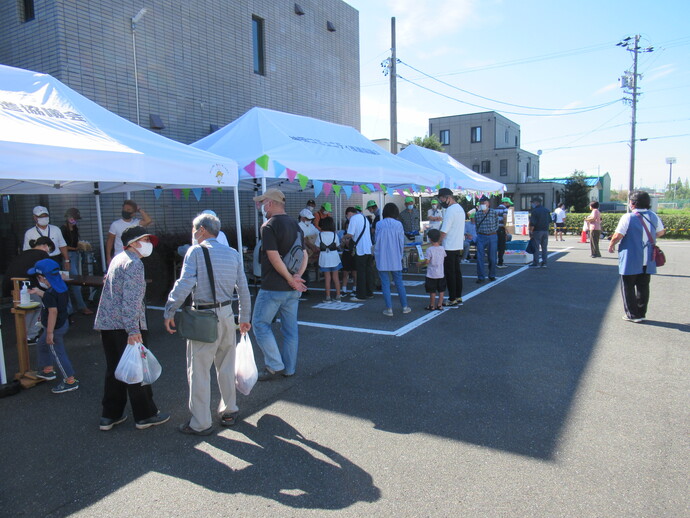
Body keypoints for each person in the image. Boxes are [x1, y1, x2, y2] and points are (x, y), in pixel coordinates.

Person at [164, 213, 251, 435]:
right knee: (226, 365)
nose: (193, 233)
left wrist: (170, 309)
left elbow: (185, 283)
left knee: (199, 370)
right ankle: (229, 409)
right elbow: (242, 288)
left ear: (202, 230)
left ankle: (201, 422)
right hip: (226, 315)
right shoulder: (233, 254)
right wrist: (243, 318)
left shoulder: (195, 252)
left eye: (195, 229)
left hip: (203, 316)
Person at [94, 226, 170, 431]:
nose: (148, 244)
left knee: (114, 370)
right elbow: (131, 301)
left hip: (108, 324)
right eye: (145, 240)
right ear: (134, 243)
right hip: (128, 326)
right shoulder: (134, 264)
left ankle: (110, 415)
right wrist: (133, 330)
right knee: (137, 371)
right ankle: (145, 415)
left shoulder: (117, 259)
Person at [252, 189, 307, 381]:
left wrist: (291, 279)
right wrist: (297, 276)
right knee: (291, 331)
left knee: (259, 324)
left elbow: (274, 258)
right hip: (292, 289)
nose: (261, 206)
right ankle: (289, 368)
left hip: (273, 287)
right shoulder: (296, 225)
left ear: (270, 203)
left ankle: (274, 364)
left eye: (262, 202)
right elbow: (304, 254)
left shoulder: (269, 226)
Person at [608, 191, 665, 323]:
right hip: (648, 257)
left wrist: (611, 245)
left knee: (628, 286)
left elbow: (618, 235)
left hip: (631, 257)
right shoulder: (653, 215)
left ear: (633, 203)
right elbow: (661, 232)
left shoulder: (628, 217)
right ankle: (641, 312)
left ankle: (632, 314)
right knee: (643, 286)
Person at [27, 258, 79, 393]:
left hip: (54, 328)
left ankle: (70, 380)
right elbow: (53, 300)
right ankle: (47, 369)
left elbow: (52, 311)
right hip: (60, 324)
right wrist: (39, 293)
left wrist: (50, 332)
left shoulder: (50, 293)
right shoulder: (60, 286)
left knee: (58, 353)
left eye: (38, 277)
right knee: (42, 344)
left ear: (42, 277)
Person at [3, 236, 54, 344]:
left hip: (11, 284)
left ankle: (26, 335)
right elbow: (48, 272)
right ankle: (30, 336)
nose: (48, 251)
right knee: (37, 305)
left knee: (28, 308)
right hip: (25, 284)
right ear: (45, 246)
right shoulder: (42, 254)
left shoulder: (25, 253)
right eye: (49, 248)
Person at [374, 203, 411, 316]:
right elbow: (401, 241)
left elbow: (376, 241)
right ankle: (405, 306)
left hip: (382, 257)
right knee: (399, 282)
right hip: (395, 257)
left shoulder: (379, 224)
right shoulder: (398, 224)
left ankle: (389, 309)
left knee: (385, 283)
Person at [60, 208, 92, 315]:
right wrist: (75, 249)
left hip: (75, 255)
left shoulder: (75, 228)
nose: (74, 221)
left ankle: (74, 307)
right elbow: (62, 245)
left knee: (75, 280)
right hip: (67, 256)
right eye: (73, 218)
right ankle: (80, 306)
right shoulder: (63, 230)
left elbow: (76, 242)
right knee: (73, 282)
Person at [437, 188, 465, 306]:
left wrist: (437, 243)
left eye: (441, 199)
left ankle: (452, 298)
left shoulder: (450, 210)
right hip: (458, 245)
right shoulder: (460, 209)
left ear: (448, 198)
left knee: (450, 274)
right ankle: (458, 296)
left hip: (449, 246)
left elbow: (444, 231)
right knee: (457, 272)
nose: (441, 201)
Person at [106, 200, 152, 266]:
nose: (125, 211)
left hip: (134, 257)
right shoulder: (115, 224)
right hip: (120, 257)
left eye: (128, 210)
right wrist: (108, 257)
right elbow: (110, 241)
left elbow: (148, 221)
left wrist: (139, 209)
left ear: (133, 213)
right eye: (124, 209)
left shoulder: (136, 223)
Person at [344, 206, 374, 302]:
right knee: (368, 271)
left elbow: (350, 234)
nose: (347, 218)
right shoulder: (364, 218)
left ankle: (361, 295)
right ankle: (369, 292)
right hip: (369, 248)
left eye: (347, 216)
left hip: (360, 249)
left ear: (349, 213)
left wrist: (343, 237)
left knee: (360, 272)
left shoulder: (353, 218)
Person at [314, 216, 342, 302]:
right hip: (334, 257)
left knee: (327, 278)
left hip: (324, 258)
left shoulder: (320, 235)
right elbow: (338, 246)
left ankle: (328, 297)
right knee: (336, 277)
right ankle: (338, 296)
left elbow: (317, 247)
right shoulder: (335, 235)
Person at [474, 195, 499, 283]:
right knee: (480, 257)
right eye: (481, 203)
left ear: (488, 203)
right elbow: (476, 225)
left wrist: (494, 231)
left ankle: (492, 275)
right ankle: (481, 276)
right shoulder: (477, 214)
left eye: (484, 203)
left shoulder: (493, 212)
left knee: (492, 257)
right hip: (481, 236)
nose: (482, 205)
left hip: (492, 235)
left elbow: (497, 223)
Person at [422, 228, 446, 311]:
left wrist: (420, 264)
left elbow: (427, 261)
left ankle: (432, 305)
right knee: (441, 290)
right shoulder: (442, 248)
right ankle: (440, 305)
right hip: (441, 273)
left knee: (432, 291)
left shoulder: (429, 250)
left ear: (430, 239)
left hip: (431, 274)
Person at [528, 196, 551, 268]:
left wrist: (531, 232)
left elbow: (532, 223)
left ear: (536, 202)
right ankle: (544, 263)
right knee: (544, 247)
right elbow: (550, 220)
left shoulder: (534, 211)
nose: (532, 204)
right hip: (545, 231)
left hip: (537, 231)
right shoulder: (546, 210)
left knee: (536, 247)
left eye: (533, 202)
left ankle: (536, 262)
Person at [298, 208, 320, 276]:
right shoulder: (299, 226)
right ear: (302, 218)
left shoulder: (311, 226)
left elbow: (318, 233)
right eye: (308, 219)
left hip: (314, 248)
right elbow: (303, 239)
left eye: (310, 219)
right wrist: (312, 246)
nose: (309, 220)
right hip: (305, 249)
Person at [495, 197, 512, 269]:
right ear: (505, 203)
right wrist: (505, 226)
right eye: (508, 203)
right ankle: (500, 262)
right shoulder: (505, 209)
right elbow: (504, 218)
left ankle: (494, 261)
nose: (509, 205)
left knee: (496, 245)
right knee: (502, 246)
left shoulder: (495, 209)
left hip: (495, 229)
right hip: (501, 228)